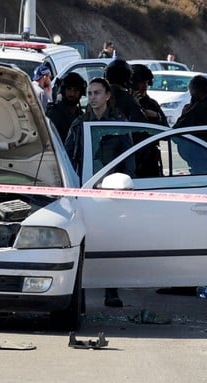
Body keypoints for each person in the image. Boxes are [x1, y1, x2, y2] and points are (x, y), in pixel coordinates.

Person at [62, 76, 130, 310]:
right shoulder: (80, 123)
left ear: (108, 95)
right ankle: (78, 294)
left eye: (97, 93)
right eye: (89, 93)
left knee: (112, 242)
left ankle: (111, 291)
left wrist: (127, 186)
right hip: (85, 191)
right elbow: (68, 157)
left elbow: (128, 159)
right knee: (81, 242)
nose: (92, 97)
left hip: (112, 191)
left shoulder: (119, 123)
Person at [46, 72, 86, 144]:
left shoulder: (81, 115)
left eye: (76, 90)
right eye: (69, 89)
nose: (72, 94)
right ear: (63, 90)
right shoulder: (54, 113)